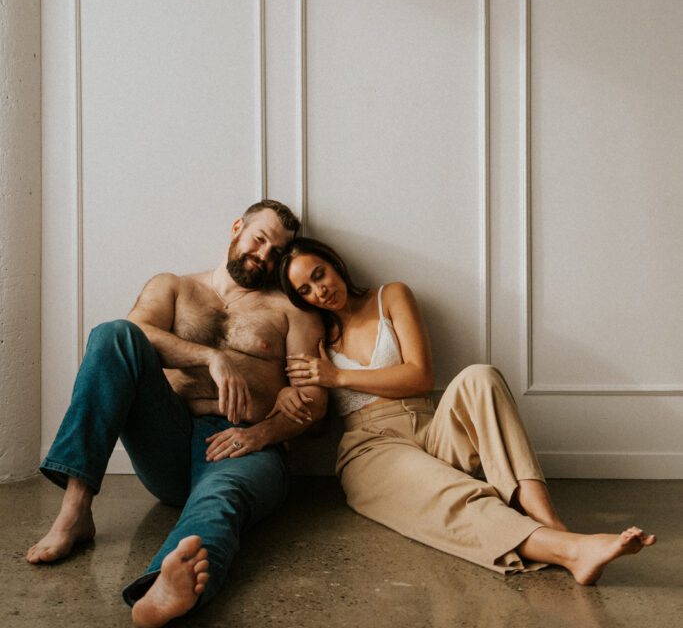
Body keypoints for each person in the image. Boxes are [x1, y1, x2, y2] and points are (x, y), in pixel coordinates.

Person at [277, 237, 656, 585]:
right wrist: (285, 396)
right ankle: (571, 551)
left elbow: (420, 376)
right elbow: (315, 421)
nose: (320, 291)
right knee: (452, 492)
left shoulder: (391, 296)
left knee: (480, 376)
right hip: (371, 448)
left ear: (335, 263)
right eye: (305, 290)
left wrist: (339, 377)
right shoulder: (314, 333)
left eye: (319, 274)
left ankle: (551, 522)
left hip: (430, 429)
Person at [26, 200, 326, 627]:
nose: (263, 255)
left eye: (276, 252)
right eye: (259, 239)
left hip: (246, 446)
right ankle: (74, 513)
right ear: (237, 228)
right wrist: (210, 357)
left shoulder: (292, 311)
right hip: (169, 441)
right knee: (113, 335)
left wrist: (259, 434)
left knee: (220, 498)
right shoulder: (174, 287)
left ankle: (164, 588)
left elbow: (315, 402)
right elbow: (135, 334)